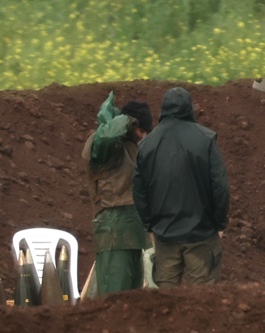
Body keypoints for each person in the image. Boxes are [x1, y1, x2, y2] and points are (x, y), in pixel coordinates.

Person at [132, 87, 230, 287]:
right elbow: (220, 185)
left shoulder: (146, 145)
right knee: (203, 299)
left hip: (165, 236)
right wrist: (219, 223)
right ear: (189, 108)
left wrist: (149, 225)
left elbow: (139, 191)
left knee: (167, 303)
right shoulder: (206, 139)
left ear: (163, 110)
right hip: (201, 234)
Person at [82, 92, 153, 293]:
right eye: (141, 130)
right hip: (114, 232)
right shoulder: (105, 143)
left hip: (134, 234)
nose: (143, 136)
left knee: (131, 302)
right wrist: (127, 119)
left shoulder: (132, 148)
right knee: (114, 298)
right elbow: (107, 136)